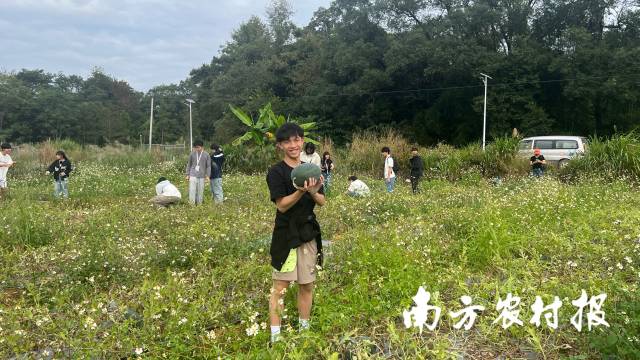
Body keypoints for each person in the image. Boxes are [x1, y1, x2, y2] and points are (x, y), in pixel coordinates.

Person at [266, 123, 325, 343]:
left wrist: (312, 191)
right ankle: (276, 337)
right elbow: (281, 205)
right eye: (288, 141)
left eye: (297, 139)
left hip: (308, 234)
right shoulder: (276, 172)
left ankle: (304, 330)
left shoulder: (311, 171)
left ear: (302, 141)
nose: (294, 145)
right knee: (280, 287)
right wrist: (300, 192)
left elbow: (322, 200)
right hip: (286, 237)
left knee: (307, 284)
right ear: (281, 145)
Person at [185, 140, 211, 205]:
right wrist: (187, 174)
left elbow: (208, 166)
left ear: (202, 147)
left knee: (200, 191)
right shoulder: (192, 153)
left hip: (202, 175)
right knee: (192, 190)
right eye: (195, 147)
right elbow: (189, 164)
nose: (197, 149)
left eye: (198, 147)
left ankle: (199, 204)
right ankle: (192, 205)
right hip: (193, 174)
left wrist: (207, 176)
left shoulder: (206, 154)